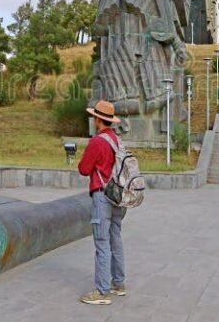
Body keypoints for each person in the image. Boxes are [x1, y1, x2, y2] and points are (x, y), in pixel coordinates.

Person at [77, 100, 127, 305]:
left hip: (102, 195)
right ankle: (118, 283)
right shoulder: (117, 140)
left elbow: (83, 168)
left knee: (101, 242)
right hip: (117, 195)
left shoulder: (97, 142)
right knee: (115, 238)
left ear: (98, 119)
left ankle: (102, 290)